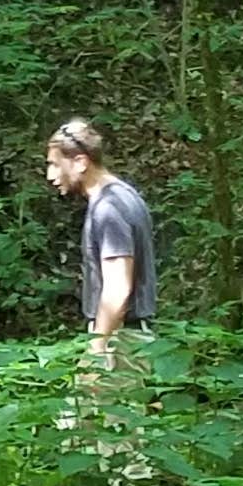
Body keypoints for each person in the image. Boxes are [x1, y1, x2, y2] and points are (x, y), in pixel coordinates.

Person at [45, 118, 157, 349]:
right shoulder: (124, 196)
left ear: (80, 162)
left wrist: (97, 348)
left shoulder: (109, 209)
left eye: (55, 165)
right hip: (127, 336)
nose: (50, 175)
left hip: (120, 341)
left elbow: (118, 287)